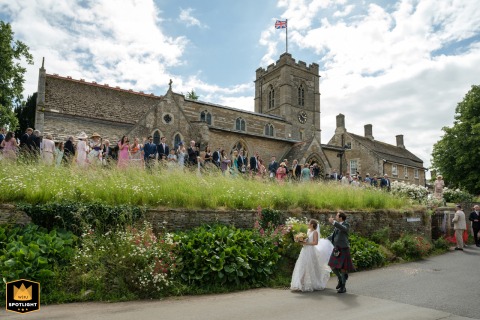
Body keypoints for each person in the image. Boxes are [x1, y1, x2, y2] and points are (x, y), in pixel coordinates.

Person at [290, 219, 333, 292]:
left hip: (311, 251)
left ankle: (312, 283)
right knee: (302, 265)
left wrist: (306, 243)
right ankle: (300, 283)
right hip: (304, 250)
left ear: (312, 225)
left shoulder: (315, 232)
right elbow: (307, 240)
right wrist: (301, 241)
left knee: (310, 266)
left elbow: (315, 243)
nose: (307, 224)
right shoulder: (308, 231)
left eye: (309, 223)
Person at [328, 211, 355, 294]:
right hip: (337, 248)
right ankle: (340, 278)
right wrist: (322, 240)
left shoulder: (346, 224)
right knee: (332, 265)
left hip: (343, 248)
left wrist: (334, 222)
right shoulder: (337, 226)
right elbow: (333, 236)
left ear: (341, 217)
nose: (335, 217)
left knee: (343, 269)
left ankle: (343, 286)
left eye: (337, 216)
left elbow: (343, 229)